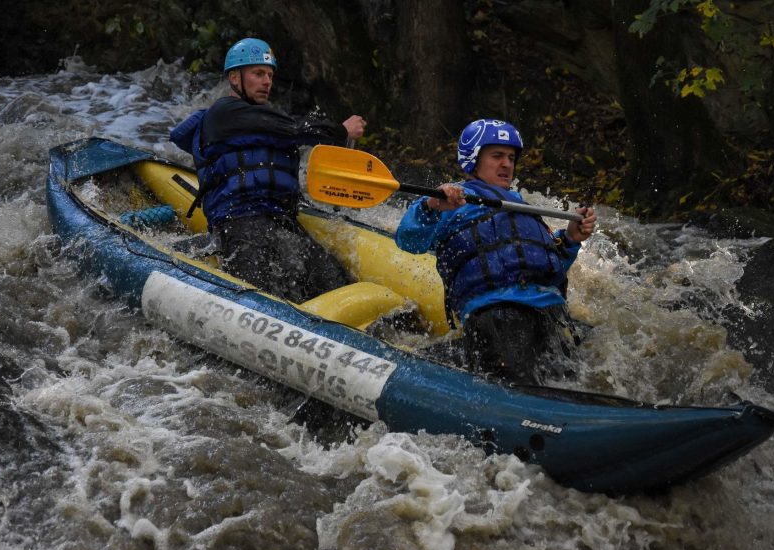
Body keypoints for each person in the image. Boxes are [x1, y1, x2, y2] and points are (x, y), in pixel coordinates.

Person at [395, 118, 597, 385]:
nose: (507, 164)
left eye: (511, 158)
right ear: (473, 160)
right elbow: (408, 240)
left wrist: (571, 239)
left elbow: (541, 265)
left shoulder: (525, 208)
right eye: (497, 156)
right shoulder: (452, 200)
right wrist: (432, 206)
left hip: (549, 316)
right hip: (498, 318)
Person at [170, 38, 366, 302]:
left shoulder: (267, 118)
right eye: (258, 73)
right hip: (238, 222)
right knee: (264, 296)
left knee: (335, 283)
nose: (267, 82)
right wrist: (340, 131)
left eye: (270, 75)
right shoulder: (224, 113)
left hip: (281, 222)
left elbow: (285, 130)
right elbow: (294, 129)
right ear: (235, 78)